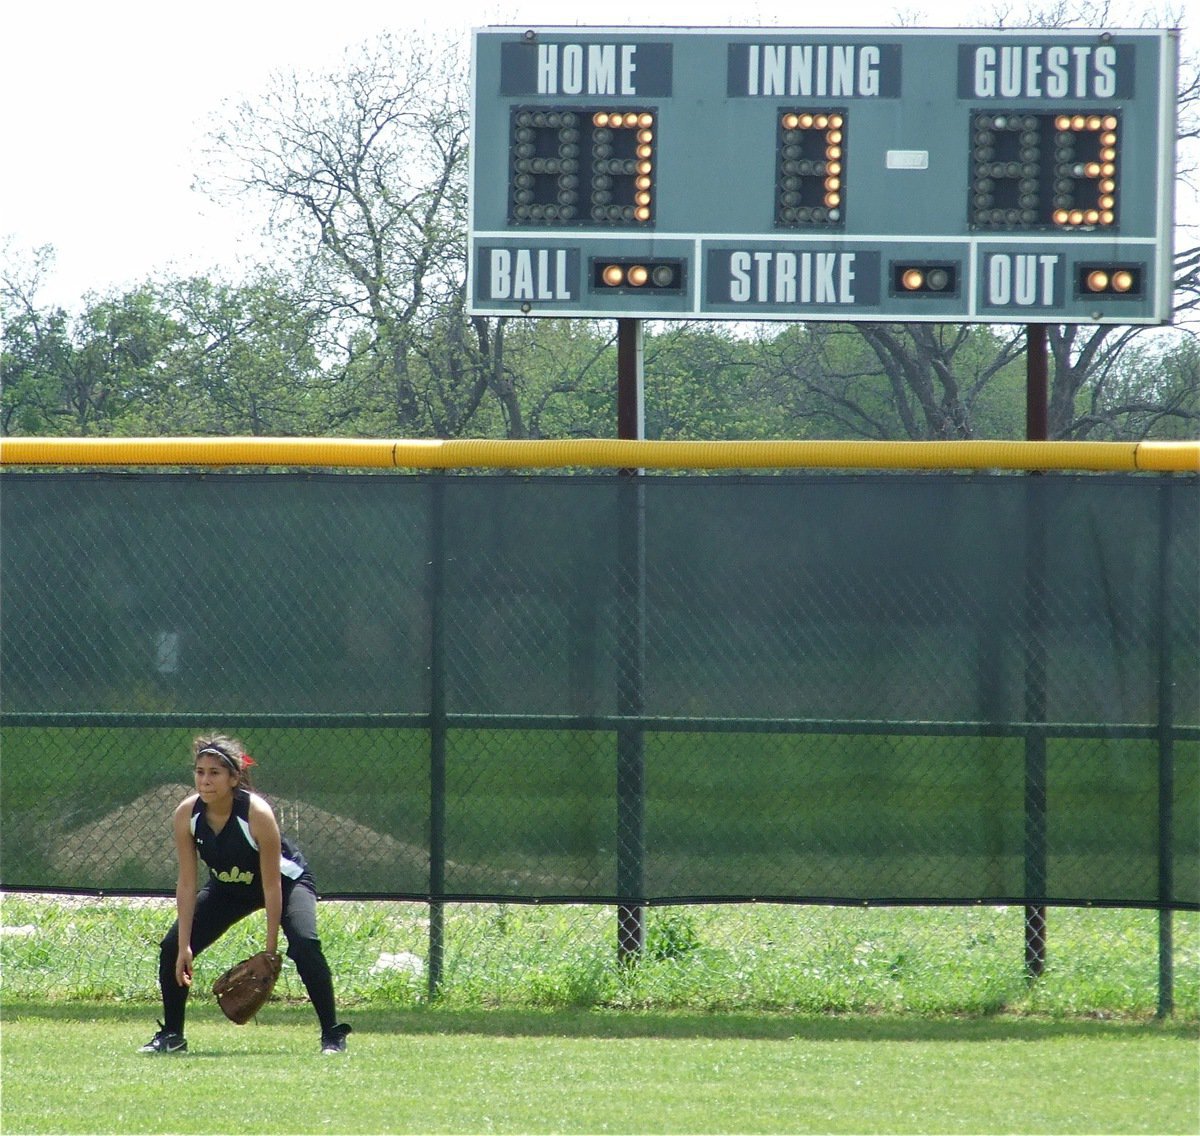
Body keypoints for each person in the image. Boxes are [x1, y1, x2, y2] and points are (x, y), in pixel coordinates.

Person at [139, 734, 351, 1056]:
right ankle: (172, 1035)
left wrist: (270, 952)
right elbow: (186, 883)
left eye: (215, 772)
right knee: (170, 948)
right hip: (229, 888)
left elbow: (271, 885)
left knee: (305, 945)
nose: (205, 780)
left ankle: (332, 1035)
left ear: (234, 778)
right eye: (200, 772)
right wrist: (184, 946)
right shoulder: (187, 815)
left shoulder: (256, 813)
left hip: (284, 881)